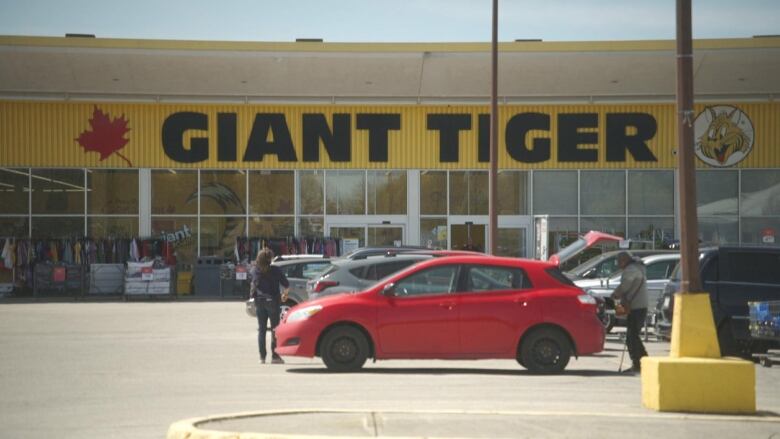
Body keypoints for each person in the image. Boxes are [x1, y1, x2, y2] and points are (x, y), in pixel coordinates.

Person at [250, 248, 290, 364]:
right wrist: (284, 295)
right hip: (273, 301)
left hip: (259, 302)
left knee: (261, 330)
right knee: (275, 330)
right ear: (270, 259)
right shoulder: (275, 270)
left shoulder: (255, 271)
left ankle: (262, 357)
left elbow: (252, 284)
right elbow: (286, 285)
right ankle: (275, 356)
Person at [611, 251, 649, 373]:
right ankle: (643, 362)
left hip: (636, 306)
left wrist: (615, 294)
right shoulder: (638, 267)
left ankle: (639, 364)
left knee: (631, 337)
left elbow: (625, 286)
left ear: (624, 260)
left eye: (619, 261)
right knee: (634, 336)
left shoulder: (631, 270)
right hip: (639, 306)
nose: (618, 264)